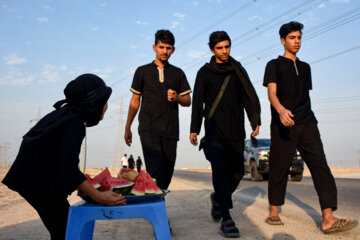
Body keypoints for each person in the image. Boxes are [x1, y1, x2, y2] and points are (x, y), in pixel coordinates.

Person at [2, 74, 126, 240]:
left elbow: (63, 159)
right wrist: (99, 196)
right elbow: (68, 166)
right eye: (104, 100)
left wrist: (83, 187)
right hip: (36, 180)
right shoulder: (75, 122)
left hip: (34, 176)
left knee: (62, 226)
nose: (106, 106)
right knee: (65, 229)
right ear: (94, 102)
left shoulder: (67, 114)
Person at [263, 21, 358, 234]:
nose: (296, 41)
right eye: (292, 38)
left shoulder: (305, 67)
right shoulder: (273, 65)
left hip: (307, 122)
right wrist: (280, 110)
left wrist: (305, 117)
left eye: (299, 38)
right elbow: (272, 94)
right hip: (283, 124)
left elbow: (303, 95)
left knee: (320, 166)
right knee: (279, 167)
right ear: (282, 41)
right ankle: (274, 211)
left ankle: (328, 217)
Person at [190, 31, 261, 238]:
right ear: (212, 50)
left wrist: (254, 118)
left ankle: (218, 199)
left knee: (238, 172)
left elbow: (249, 95)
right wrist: (194, 128)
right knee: (220, 171)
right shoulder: (204, 72)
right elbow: (198, 102)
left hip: (236, 130)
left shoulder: (238, 69)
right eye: (220, 48)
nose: (224, 51)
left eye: (227, 47)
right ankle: (227, 218)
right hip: (214, 131)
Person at [124, 29, 191, 190]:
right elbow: (135, 101)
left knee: (167, 173)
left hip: (170, 129)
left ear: (173, 50)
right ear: (154, 47)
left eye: (168, 48)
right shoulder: (142, 71)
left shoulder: (178, 73)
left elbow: (187, 101)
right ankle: (158, 213)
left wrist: (177, 97)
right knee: (156, 171)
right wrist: (128, 127)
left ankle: (156, 205)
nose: (165, 51)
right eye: (161, 47)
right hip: (148, 127)